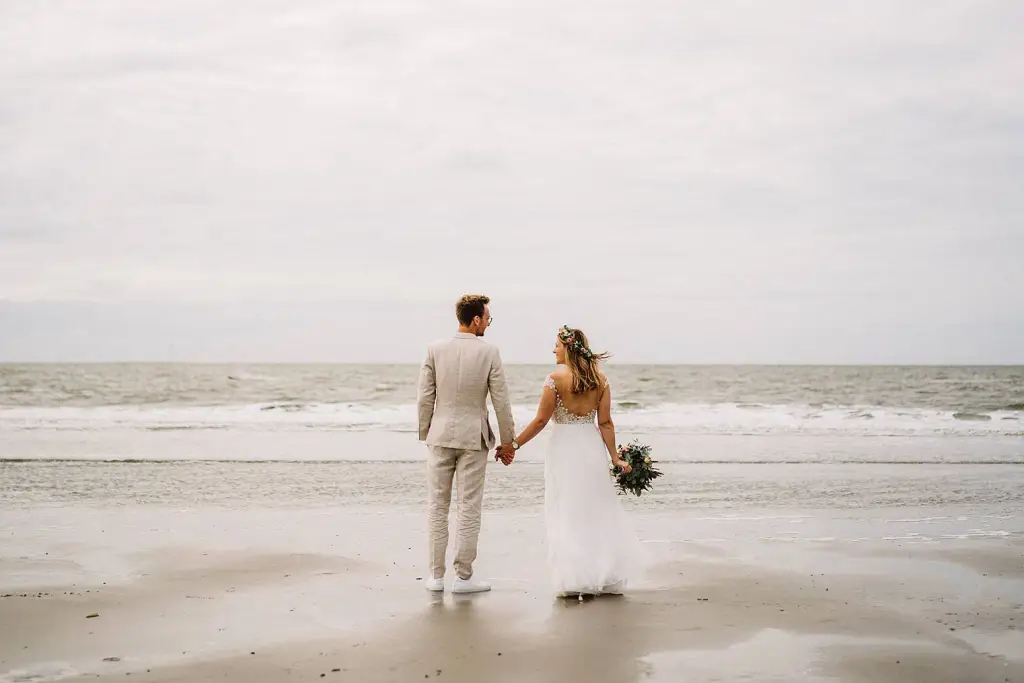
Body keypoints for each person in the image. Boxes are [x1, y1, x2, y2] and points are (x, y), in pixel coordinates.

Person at [499, 325, 645, 597]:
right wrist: (615, 458)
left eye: (556, 344)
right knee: (594, 510)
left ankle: (576, 579)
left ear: (568, 348)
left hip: (564, 449)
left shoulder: (554, 379)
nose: (553, 349)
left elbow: (541, 420)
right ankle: (606, 575)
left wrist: (514, 444)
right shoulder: (600, 380)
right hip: (590, 448)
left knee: (567, 510)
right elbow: (605, 422)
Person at [417, 294, 516, 594]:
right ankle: (463, 577)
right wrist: (508, 441)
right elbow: (501, 401)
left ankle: (435, 577)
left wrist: (427, 432)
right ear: (475, 319)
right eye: (487, 318)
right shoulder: (489, 353)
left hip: (440, 435)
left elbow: (425, 397)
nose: (488, 322)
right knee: (469, 507)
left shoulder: (434, 349)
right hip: (474, 438)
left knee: (438, 505)